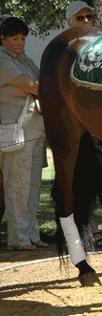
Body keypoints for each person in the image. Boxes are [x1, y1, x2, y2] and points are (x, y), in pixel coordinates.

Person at [0, 17, 47, 250]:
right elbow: (32, 85)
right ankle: (18, 237)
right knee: (17, 184)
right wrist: (41, 87)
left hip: (35, 126)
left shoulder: (24, 59)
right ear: (3, 39)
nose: (19, 43)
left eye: (22, 39)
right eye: (15, 39)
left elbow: (39, 81)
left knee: (33, 184)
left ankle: (32, 233)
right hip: (16, 129)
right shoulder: (2, 59)